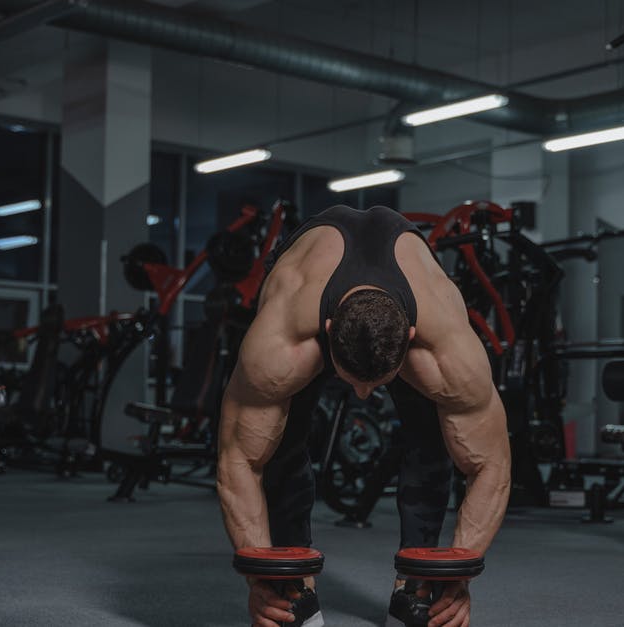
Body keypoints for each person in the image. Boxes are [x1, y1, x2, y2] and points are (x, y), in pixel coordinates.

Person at [218, 205, 511, 627]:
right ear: (329, 329)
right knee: (281, 444)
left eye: (376, 384)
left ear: (410, 338)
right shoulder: (283, 337)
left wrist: (457, 576)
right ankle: (291, 588)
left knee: (433, 442)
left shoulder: (445, 342)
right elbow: (238, 462)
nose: (361, 394)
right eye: (351, 380)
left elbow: (491, 466)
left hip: (408, 303)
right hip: (308, 280)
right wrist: (258, 579)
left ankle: (418, 587)